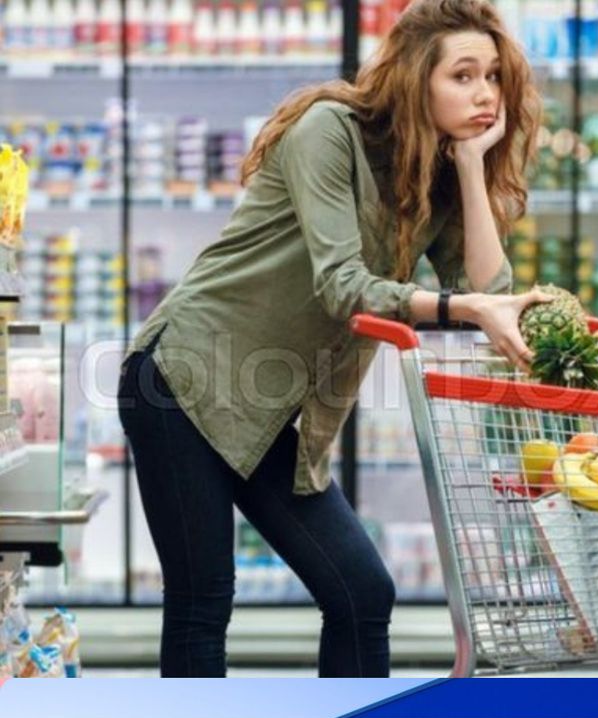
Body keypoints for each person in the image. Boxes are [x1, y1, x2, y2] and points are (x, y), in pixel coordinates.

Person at [118, 0, 549, 678]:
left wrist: (469, 167)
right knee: (204, 601)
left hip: (268, 410)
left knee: (361, 592)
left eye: (493, 76)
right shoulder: (329, 131)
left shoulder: (432, 178)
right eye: (463, 75)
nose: (486, 94)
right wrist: (458, 305)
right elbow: (342, 286)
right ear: (415, 77)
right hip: (184, 378)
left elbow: (491, 297)